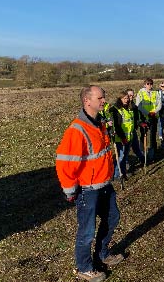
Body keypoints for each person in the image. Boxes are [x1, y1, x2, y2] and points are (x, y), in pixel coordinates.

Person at [55, 85, 126, 282]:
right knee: (87, 231)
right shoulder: (77, 130)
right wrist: (70, 190)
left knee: (112, 218)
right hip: (88, 189)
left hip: (104, 184)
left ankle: (102, 254)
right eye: (100, 98)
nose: (104, 101)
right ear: (87, 101)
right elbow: (65, 162)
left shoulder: (100, 123)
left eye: (104, 97)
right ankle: (84, 268)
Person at [134, 78, 160, 163]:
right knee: (143, 136)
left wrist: (154, 112)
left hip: (153, 117)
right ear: (145, 85)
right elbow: (139, 105)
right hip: (144, 117)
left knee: (153, 136)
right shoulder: (140, 93)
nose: (150, 85)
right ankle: (142, 154)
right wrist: (147, 113)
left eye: (151, 84)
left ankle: (152, 154)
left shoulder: (156, 93)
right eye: (148, 84)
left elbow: (159, 104)